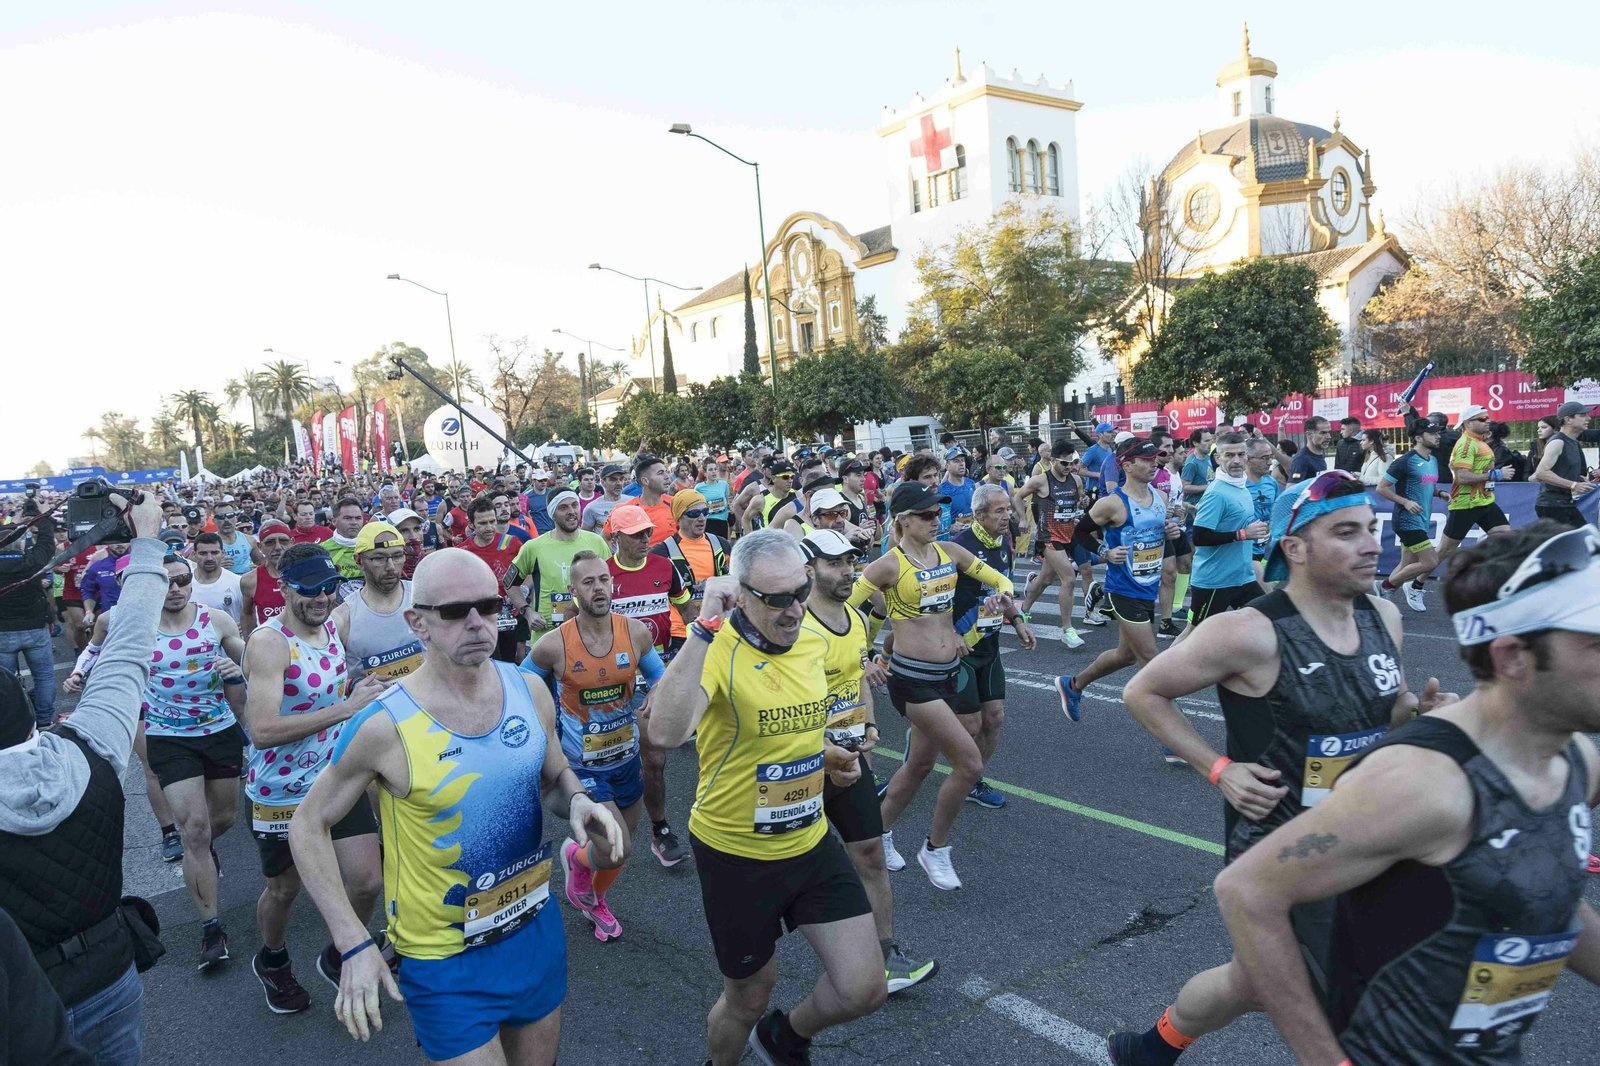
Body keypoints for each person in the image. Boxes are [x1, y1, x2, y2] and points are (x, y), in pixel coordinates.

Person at [1206, 522, 1600, 1065]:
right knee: (1241, 983)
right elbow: (1247, 893)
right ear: (1513, 656)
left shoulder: (1578, 756)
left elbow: (1545, 890)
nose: (1370, 544)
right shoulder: (1426, 784)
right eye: (1595, 641)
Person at [1106, 468, 1443, 1065]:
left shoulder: (1382, 618)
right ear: (1296, 548)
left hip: (1365, 834)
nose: (1371, 544)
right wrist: (1219, 769)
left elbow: (1386, 712)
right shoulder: (1248, 632)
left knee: (1254, 983)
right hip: (1279, 849)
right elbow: (1143, 692)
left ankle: (1150, 1051)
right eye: (1345, 532)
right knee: (1336, 993)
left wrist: (1421, 714)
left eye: (1370, 528)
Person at [287, 548, 622, 1065]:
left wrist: (578, 799)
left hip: (534, 932)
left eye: (488, 607)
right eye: (454, 611)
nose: (476, 623)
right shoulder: (382, 725)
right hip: (443, 959)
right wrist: (352, 941)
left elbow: (553, 775)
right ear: (416, 623)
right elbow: (308, 823)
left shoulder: (528, 688)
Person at [646, 531, 887, 1066]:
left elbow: (797, 727)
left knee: (864, 988)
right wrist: (703, 628)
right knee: (749, 996)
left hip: (809, 840)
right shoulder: (715, 649)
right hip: (736, 854)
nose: (795, 609)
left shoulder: (811, 639)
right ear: (741, 593)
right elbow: (663, 732)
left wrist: (827, 756)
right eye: (777, 599)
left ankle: (786, 1039)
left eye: (801, 592)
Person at [0, 489, 164, 1066]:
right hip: (111, 975)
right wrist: (146, 542)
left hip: (21, 1009)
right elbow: (130, 643)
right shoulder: (91, 745)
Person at [242, 542, 389, 1011]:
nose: (322, 598)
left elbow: (332, 695)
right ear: (284, 588)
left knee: (367, 882)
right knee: (285, 889)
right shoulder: (268, 643)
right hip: (279, 793)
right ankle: (273, 959)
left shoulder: (329, 629)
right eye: (309, 590)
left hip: (332, 783)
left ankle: (339, 953)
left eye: (329, 588)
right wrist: (346, 707)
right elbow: (261, 731)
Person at [852, 482, 1016, 890]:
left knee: (920, 764)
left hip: (946, 675)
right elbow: (844, 610)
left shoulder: (950, 553)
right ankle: (935, 848)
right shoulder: (889, 565)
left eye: (937, 512)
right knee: (970, 763)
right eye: (926, 515)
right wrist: (864, 658)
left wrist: (1000, 601)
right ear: (902, 520)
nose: (935, 520)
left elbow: (1003, 582)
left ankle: (878, 836)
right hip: (911, 681)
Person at [799, 529, 939, 994]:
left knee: (870, 852)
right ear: (808, 570)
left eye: (850, 562)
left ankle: (885, 956)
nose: (847, 572)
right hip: (802, 766)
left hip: (851, 757)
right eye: (834, 563)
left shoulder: (857, 621)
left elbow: (858, 677)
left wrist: (872, 729)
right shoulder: (795, 629)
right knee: (795, 868)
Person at [522, 551, 662, 942]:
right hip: (582, 767)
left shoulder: (634, 631)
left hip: (626, 757)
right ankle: (573, 859)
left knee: (618, 847)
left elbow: (659, 675)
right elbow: (523, 690)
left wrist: (658, 696)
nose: (599, 588)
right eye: (588, 582)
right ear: (573, 590)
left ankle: (594, 898)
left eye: (604, 579)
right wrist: (543, 729)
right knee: (617, 850)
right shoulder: (553, 646)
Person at [1056, 439, 1183, 735]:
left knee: (1125, 655)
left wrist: (1171, 532)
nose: (1154, 463)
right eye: (1147, 459)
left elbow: (1159, 536)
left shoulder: (1159, 498)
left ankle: (1072, 685)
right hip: (1122, 590)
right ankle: (1172, 737)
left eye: (1156, 459)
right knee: (1152, 661)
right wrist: (1104, 553)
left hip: (1147, 587)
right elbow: (1079, 534)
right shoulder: (1112, 503)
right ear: (1127, 465)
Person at [603, 504, 691, 866]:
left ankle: (660, 829)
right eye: (636, 534)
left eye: (647, 532)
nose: (645, 538)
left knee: (654, 757)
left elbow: (689, 612)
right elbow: (580, 623)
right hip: (610, 680)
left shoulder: (664, 567)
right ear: (616, 538)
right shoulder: (603, 575)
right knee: (606, 757)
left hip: (655, 676)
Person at [951, 484, 1038, 810]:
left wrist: (1017, 621)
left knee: (995, 718)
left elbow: (1003, 589)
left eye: (1008, 509)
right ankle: (958, 766)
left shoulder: (1005, 541)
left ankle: (974, 778)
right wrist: (950, 633)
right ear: (979, 514)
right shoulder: (958, 547)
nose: (1009, 515)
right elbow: (933, 600)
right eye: (1000, 511)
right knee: (970, 724)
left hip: (990, 644)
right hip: (961, 648)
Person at [1174, 432, 1267, 643]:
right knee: (1193, 635)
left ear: (1247, 457)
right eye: (1229, 455)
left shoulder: (1240, 486)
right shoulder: (1217, 492)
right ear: (1218, 458)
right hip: (1215, 580)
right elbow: (1200, 536)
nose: (1236, 460)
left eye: (1241, 454)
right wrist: (1243, 534)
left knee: (1265, 621)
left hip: (1242, 577)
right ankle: (1159, 675)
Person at [508, 490, 610, 636]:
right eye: (563, 508)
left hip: (591, 632)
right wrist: (528, 612)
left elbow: (612, 582)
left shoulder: (596, 541)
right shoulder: (534, 547)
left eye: (575, 505)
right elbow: (510, 583)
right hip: (547, 634)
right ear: (552, 514)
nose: (571, 511)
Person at [331, 522, 423, 684]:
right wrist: (352, 685)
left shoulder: (423, 598)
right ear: (358, 561)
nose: (391, 566)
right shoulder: (343, 618)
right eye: (379, 558)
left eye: (397, 556)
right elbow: (327, 680)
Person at [1375, 421, 1447, 612]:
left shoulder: (1432, 461)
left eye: (1437, 432)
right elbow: (1381, 488)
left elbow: (1424, 486)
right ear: (1418, 438)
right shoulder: (1405, 461)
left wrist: (1439, 493)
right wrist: (1405, 502)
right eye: (1432, 433)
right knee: (1430, 561)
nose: (1437, 436)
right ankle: (1383, 587)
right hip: (1406, 521)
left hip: (1421, 520)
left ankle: (1381, 600)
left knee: (1407, 564)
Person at [0, 505, 61, 730]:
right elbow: (46, 541)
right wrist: (42, 515)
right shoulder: (32, 561)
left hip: (2, 632)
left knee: (6, 683)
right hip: (35, 629)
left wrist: (14, 521)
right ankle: (45, 721)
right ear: (20, 543)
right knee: (44, 677)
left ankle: (15, 723)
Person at [1436, 405, 1517, 571]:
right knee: (1445, 550)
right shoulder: (1466, 444)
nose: (1487, 421)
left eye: (1487, 418)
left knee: (1505, 537)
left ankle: (1485, 571)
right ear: (1467, 423)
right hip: (1466, 503)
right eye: (1482, 419)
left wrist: (1492, 475)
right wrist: (1495, 475)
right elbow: (1462, 477)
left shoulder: (1479, 442)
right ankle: (1415, 583)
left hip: (1484, 500)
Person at [456, 497, 525, 663]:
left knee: (513, 661)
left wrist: (524, 589)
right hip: (482, 619)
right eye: (482, 523)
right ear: (471, 524)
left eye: (492, 521)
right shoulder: (462, 552)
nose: (489, 527)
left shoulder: (511, 543)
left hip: (511, 616)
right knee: (488, 662)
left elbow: (529, 571)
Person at [1530, 400, 1600, 527]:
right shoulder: (1557, 442)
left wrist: (1579, 480)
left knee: (1584, 541)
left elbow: (1560, 470)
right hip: (1552, 506)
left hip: (1565, 504)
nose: (1588, 418)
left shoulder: (1573, 442)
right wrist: (1574, 485)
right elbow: (1541, 473)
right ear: (1568, 419)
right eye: (1583, 415)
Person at [240, 519, 293, 639]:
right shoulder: (250, 580)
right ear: (260, 547)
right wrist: (251, 644)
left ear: (292, 542)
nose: (278, 547)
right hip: (270, 646)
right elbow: (247, 613)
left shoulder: (306, 575)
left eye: (284, 541)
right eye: (270, 542)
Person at [1244, 438, 1280, 583]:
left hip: (1264, 550)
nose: (1270, 462)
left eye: (1271, 457)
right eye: (1265, 458)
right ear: (1248, 459)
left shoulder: (1271, 483)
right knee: (1266, 595)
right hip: (1243, 551)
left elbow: (1276, 513)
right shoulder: (1238, 485)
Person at [187, 532, 243, 624]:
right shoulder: (184, 583)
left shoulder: (237, 582)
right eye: (203, 553)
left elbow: (248, 615)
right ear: (194, 554)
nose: (209, 558)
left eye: (214, 553)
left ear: (222, 553)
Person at [631, 455, 678, 547]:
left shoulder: (675, 503)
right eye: (660, 473)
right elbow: (606, 538)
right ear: (645, 481)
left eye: (666, 472)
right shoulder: (628, 509)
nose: (667, 477)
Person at [212, 499, 262, 575]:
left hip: (246, 583)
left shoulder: (249, 540)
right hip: (221, 582)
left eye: (230, 515)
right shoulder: (207, 542)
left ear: (235, 518)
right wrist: (214, 566)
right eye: (221, 516)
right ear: (214, 520)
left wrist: (258, 569)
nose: (226, 520)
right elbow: (191, 564)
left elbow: (260, 561)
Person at [937, 449, 977, 541]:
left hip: (972, 535)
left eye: (962, 460)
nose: (961, 464)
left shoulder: (971, 484)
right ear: (947, 466)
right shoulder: (942, 491)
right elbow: (938, 520)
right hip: (954, 539)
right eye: (956, 461)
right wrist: (950, 527)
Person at [581, 464, 629, 535]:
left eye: (621, 479)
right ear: (603, 482)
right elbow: (585, 535)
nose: (619, 483)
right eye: (613, 479)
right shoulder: (592, 508)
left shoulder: (632, 502)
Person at [694, 459, 733, 540]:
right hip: (708, 521)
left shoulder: (724, 484)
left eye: (715, 469)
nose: (714, 472)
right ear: (705, 473)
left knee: (723, 545)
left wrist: (730, 506)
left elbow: (728, 498)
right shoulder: (699, 487)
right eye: (710, 470)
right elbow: (695, 503)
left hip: (722, 520)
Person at [1289, 417, 1331, 484]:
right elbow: (1291, 488)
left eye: (1329, 432)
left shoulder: (1320, 454)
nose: (1329, 437)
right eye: (1323, 433)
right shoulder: (1301, 458)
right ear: (1309, 434)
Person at [1080, 423, 1117, 497]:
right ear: (1100, 435)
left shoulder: (1110, 450)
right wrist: (1099, 475)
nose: (1113, 434)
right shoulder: (1093, 450)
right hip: (1094, 491)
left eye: (1113, 431)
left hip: (1105, 490)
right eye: (1109, 432)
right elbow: (1079, 470)